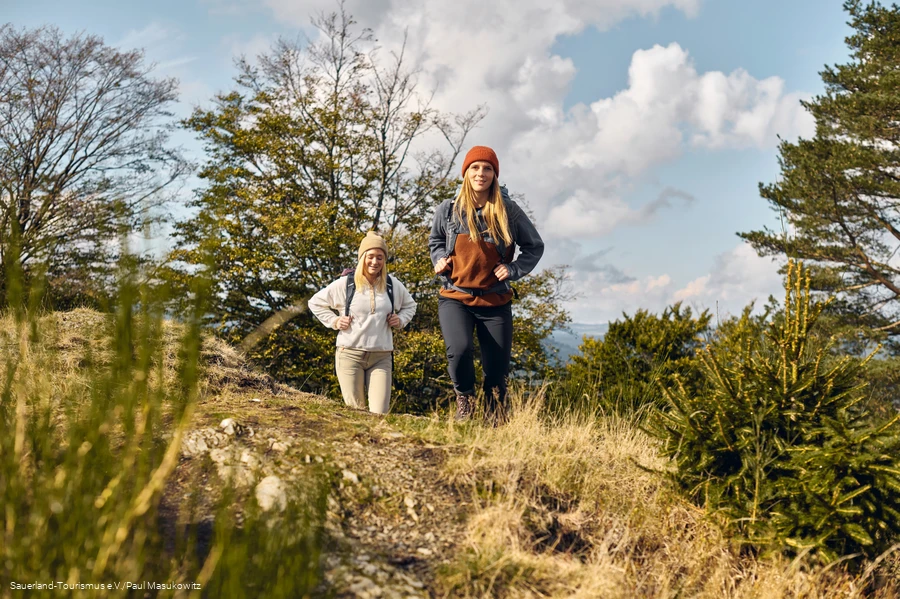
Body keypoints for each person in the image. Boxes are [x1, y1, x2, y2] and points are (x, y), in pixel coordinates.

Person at [428, 146, 544, 423]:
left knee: (496, 369)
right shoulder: (449, 210)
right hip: (455, 297)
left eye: (488, 168)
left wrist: (514, 269)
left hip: (495, 301)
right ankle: (464, 399)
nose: (481, 173)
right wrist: (439, 259)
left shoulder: (508, 212)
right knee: (459, 350)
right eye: (476, 168)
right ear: (466, 173)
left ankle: (495, 419)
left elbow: (534, 246)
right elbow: (435, 241)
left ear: (495, 174)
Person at [308, 231, 417, 414]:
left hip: (381, 357)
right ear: (362, 258)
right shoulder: (346, 284)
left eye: (380, 258)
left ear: (384, 260)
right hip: (349, 355)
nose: (375, 262)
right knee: (356, 413)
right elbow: (315, 302)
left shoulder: (392, 284)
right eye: (371, 256)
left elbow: (410, 306)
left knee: (379, 413)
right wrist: (334, 321)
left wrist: (401, 320)